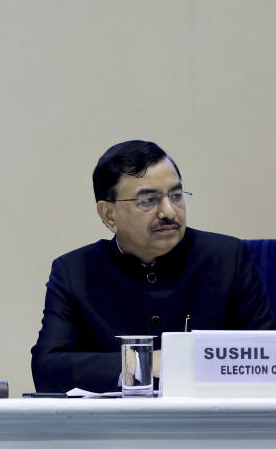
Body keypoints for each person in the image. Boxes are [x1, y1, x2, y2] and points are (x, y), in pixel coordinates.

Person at [31, 140, 275, 394]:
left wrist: (185, 362)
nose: (169, 211)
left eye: (176, 196)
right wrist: (142, 363)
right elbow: (47, 368)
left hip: (211, 425)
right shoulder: (75, 272)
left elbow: (268, 359)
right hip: (112, 429)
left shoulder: (227, 258)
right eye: (148, 200)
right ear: (108, 215)